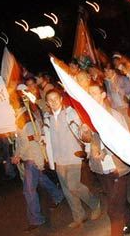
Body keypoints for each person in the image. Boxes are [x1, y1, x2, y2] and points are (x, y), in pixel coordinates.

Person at [85, 84, 130, 236]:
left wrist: (105, 151)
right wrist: (86, 137)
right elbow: (87, 139)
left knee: (113, 207)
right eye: (89, 93)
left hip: (117, 165)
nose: (91, 96)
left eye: (95, 93)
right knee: (116, 198)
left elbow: (123, 139)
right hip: (101, 168)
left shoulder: (114, 115)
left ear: (103, 95)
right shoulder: (89, 115)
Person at [42, 89, 102, 228]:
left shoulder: (70, 113)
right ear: (47, 103)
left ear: (61, 99)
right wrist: (43, 140)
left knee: (73, 186)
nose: (53, 102)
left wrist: (86, 142)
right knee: (67, 190)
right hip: (58, 159)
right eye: (50, 100)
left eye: (56, 98)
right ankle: (78, 216)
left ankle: (94, 203)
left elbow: (81, 131)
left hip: (73, 155)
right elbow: (48, 138)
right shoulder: (47, 118)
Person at [12, 105, 64, 231]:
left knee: (29, 190)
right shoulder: (19, 118)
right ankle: (58, 195)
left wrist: (18, 155)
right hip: (29, 157)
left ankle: (36, 219)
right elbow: (20, 141)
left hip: (33, 158)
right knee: (42, 180)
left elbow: (29, 141)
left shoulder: (27, 119)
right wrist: (17, 154)